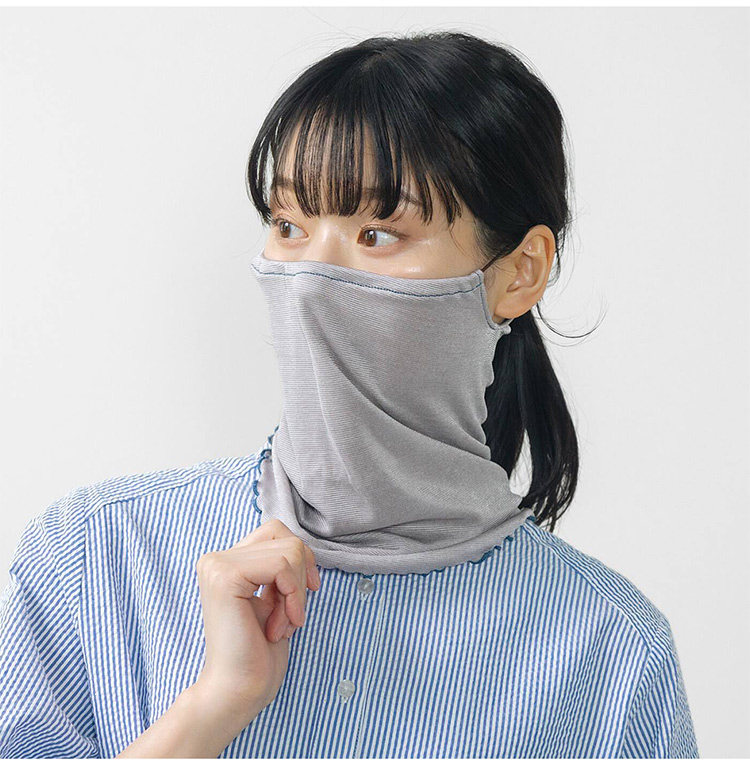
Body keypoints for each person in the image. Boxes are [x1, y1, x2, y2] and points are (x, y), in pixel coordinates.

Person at [0, 31, 699, 758]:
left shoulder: (613, 657)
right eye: (288, 226)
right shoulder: (94, 556)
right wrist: (211, 709)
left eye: (379, 233)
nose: (309, 280)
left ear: (520, 273)